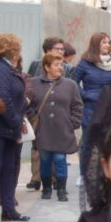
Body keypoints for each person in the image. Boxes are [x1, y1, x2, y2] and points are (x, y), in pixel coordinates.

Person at [0, 34, 30, 222]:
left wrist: (17, 121)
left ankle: (9, 210)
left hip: (9, 126)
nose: (20, 51)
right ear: (12, 50)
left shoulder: (8, 69)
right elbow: (1, 101)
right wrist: (15, 120)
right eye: (18, 48)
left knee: (9, 168)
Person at [27, 51, 83, 203]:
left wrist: (73, 123)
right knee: (45, 159)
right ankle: (46, 188)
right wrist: (33, 118)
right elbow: (28, 104)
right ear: (46, 67)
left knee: (60, 158)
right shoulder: (34, 83)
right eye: (56, 65)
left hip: (62, 129)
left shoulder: (70, 85)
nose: (60, 68)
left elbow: (77, 106)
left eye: (62, 65)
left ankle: (62, 189)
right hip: (43, 128)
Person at [74, 32, 111, 181]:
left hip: (109, 108)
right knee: (89, 141)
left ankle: (105, 173)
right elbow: (73, 82)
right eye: (104, 42)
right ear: (96, 44)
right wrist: (86, 95)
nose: (107, 45)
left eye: (108, 42)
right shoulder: (85, 62)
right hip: (90, 107)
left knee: (108, 141)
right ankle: (84, 173)